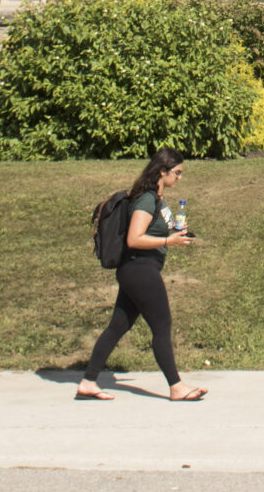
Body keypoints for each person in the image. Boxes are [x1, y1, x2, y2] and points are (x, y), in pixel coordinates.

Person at [76, 147, 206, 401]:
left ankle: (88, 381)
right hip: (140, 269)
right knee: (161, 326)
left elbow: (154, 232)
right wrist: (168, 241)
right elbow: (134, 239)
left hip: (137, 270)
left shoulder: (155, 199)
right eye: (177, 173)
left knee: (117, 326)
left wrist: (174, 233)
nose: (180, 178)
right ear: (162, 171)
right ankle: (176, 386)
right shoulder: (146, 199)